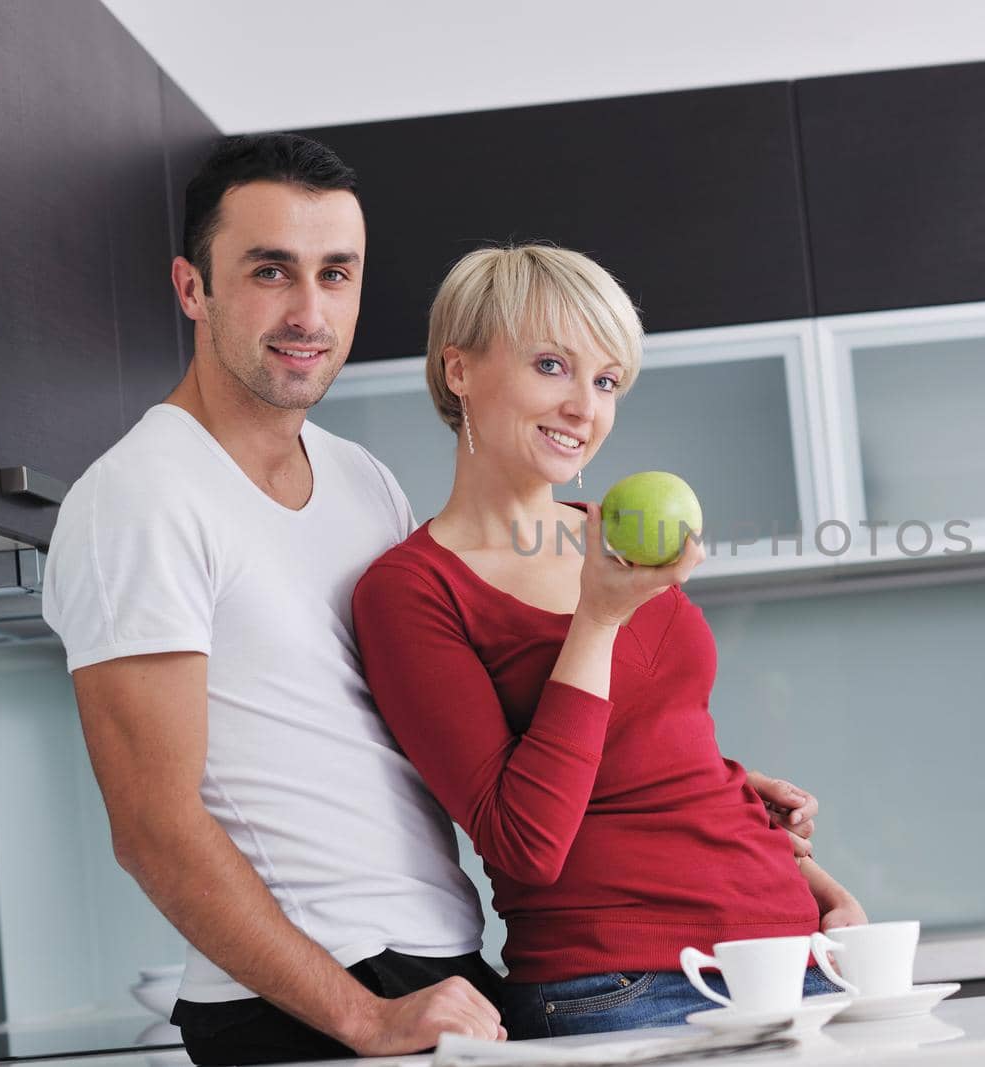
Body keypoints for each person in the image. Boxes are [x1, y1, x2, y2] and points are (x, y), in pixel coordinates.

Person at [41, 134, 821, 1065]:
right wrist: (363, 1017)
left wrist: (682, 784)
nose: (308, 310)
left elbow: (460, 712)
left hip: (437, 965)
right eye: (269, 271)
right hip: (306, 1000)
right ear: (192, 288)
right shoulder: (140, 498)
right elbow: (153, 828)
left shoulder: (359, 479)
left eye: (336, 274)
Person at [349, 245, 867, 1040]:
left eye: (605, 380)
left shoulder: (615, 536)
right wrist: (596, 620)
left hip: (797, 947)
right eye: (552, 364)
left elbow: (656, 748)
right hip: (625, 982)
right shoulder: (413, 590)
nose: (584, 408)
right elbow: (525, 842)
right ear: (459, 370)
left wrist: (805, 873)